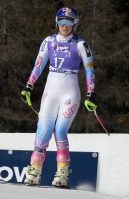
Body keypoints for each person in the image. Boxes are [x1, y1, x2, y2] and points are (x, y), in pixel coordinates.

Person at [21, 7, 96, 188]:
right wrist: (29, 86)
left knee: (60, 130)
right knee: (44, 129)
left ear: (75, 24)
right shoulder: (49, 41)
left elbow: (89, 70)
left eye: (69, 22)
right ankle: (34, 170)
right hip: (51, 91)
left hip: (70, 93)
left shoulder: (80, 44)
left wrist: (91, 93)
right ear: (56, 23)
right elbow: (38, 65)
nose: (64, 26)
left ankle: (62, 174)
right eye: (61, 22)